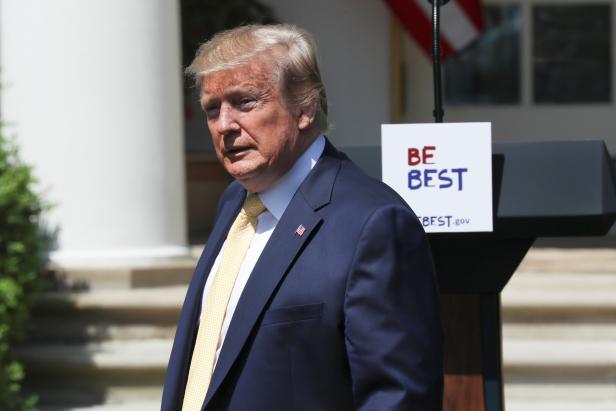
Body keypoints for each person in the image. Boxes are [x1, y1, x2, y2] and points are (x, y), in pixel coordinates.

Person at [162, 24, 443, 411]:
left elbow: (397, 397)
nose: (224, 125)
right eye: (213, 109)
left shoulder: (374, 224)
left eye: (244, 102)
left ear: (305, 108)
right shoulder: (235, 203)